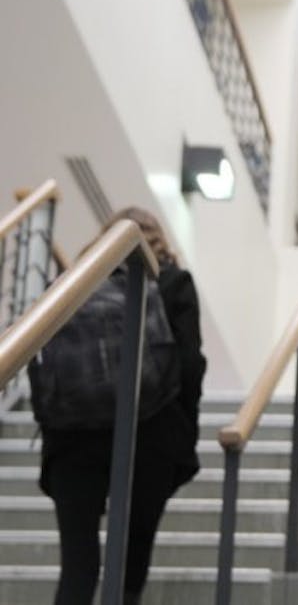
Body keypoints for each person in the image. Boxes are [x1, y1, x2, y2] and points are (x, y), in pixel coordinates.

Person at [39, 207, 206, 604]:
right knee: (131, 561)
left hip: (72, 438)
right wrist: (184, 437)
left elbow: (43, 361)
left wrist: (51, 423)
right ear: (159, 241)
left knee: (77, 569)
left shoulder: (75, 284)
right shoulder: (172, 282)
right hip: (150, 436)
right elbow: (189, 364)